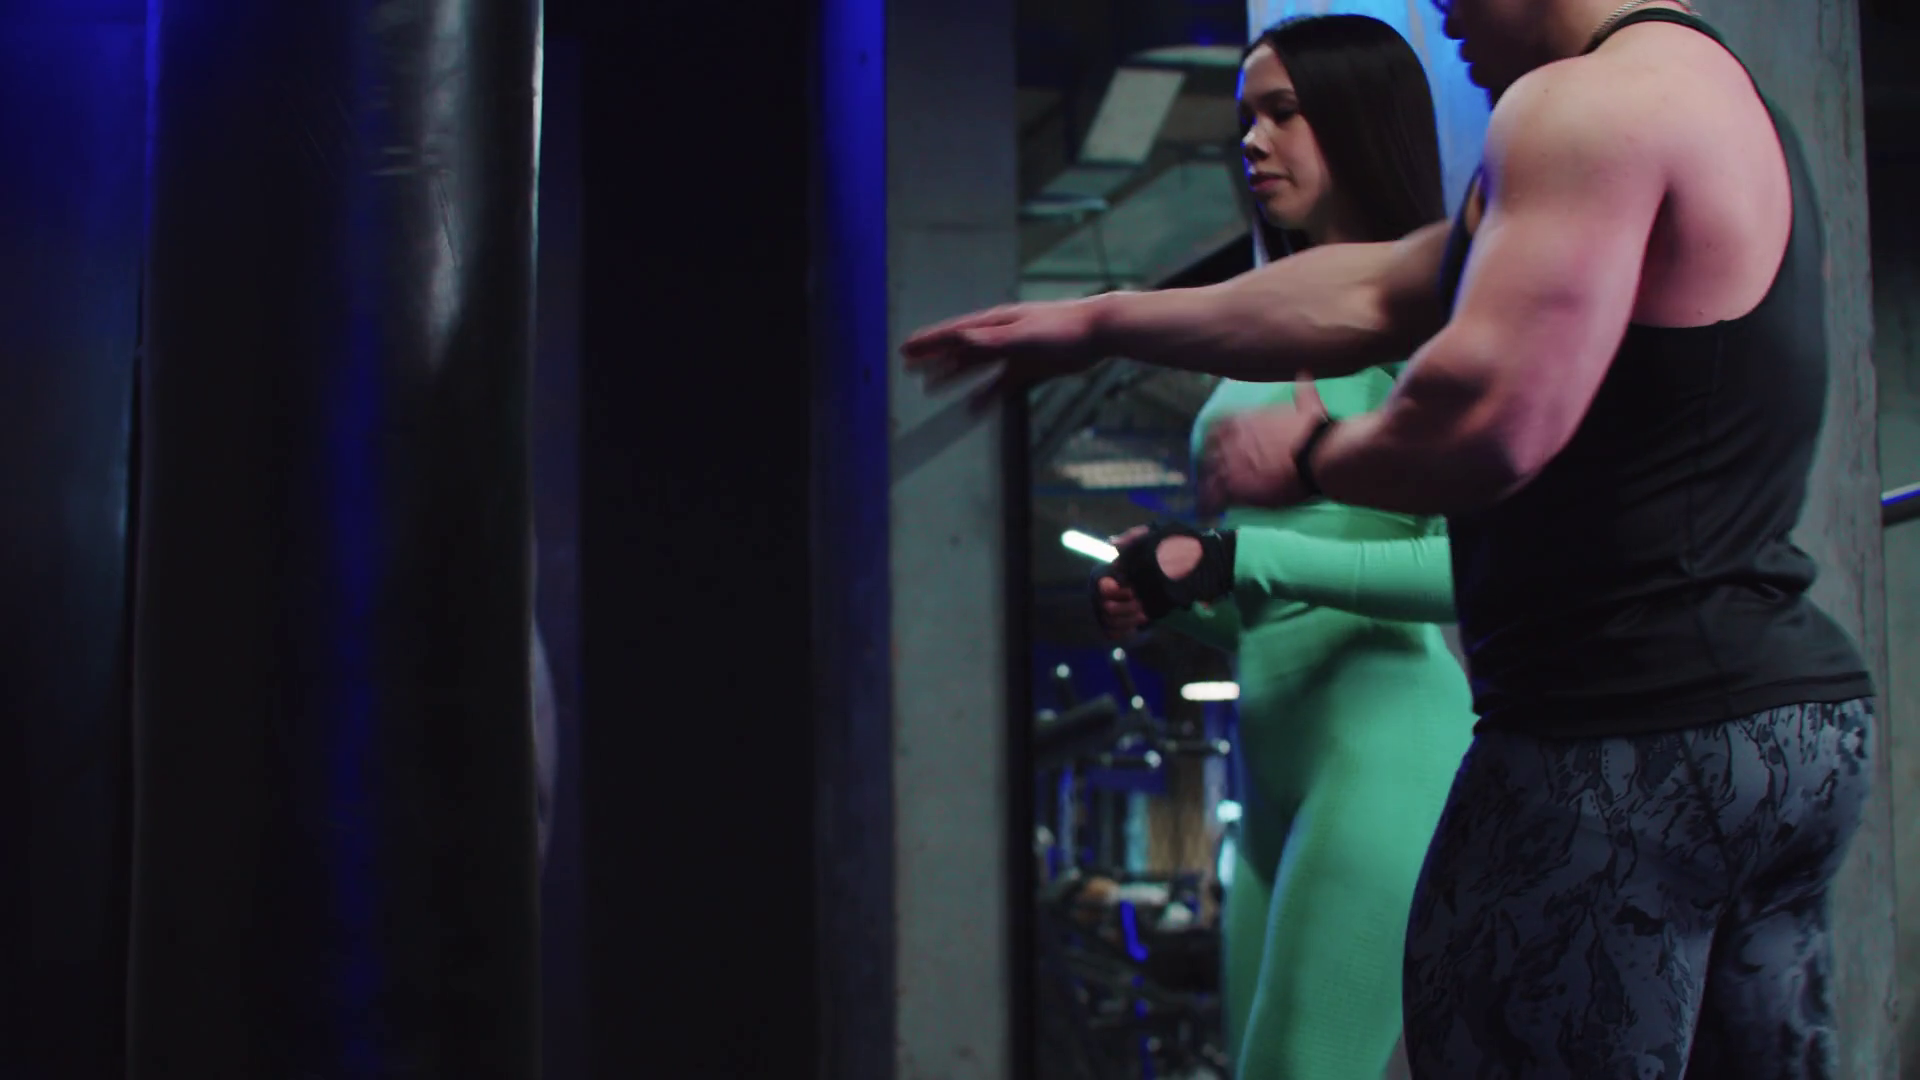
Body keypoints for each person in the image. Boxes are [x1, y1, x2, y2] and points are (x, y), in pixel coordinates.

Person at [906, 1, 1876, 1076]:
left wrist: (1313, 457)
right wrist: (1100, 323)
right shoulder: (1717, 103)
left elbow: (1491, 421)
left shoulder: (1586, 105)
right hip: (1781, 732)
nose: (1443, 8)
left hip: (1625, 729)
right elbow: (1373, 286)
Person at [1089, 16, 1472, 1079]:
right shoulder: (1261, 338)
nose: (1252, 141)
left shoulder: (1425, 329)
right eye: (1246, 118)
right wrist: (1174, 590)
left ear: (1357, 118)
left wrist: (1232, 561)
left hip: (1386, 752)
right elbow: (1270, 604)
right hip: (1268, 780)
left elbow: (1472, 572)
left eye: (1284, 113)